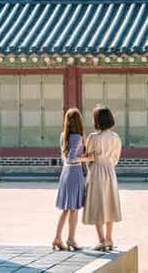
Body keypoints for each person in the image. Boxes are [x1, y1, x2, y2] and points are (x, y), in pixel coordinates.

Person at [82, 106, 123, 251]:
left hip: (97, 171)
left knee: (97, 204)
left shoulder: (93, 137)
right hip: (110, 171)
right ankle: (109, 238)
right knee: (109, 203)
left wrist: (92, 168)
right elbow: (116, 158)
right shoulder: (116, 138)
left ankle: (101, 240)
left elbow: (88, 157)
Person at [52, 108, 87, 252]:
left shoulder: (63, 136)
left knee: (66, 209)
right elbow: (73, 158)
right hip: (74, 172)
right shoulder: (78, 137)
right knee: (73, 209)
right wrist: (88, 158)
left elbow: (65, 157)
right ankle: (71, 239)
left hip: (65, 172)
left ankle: (58, 238)